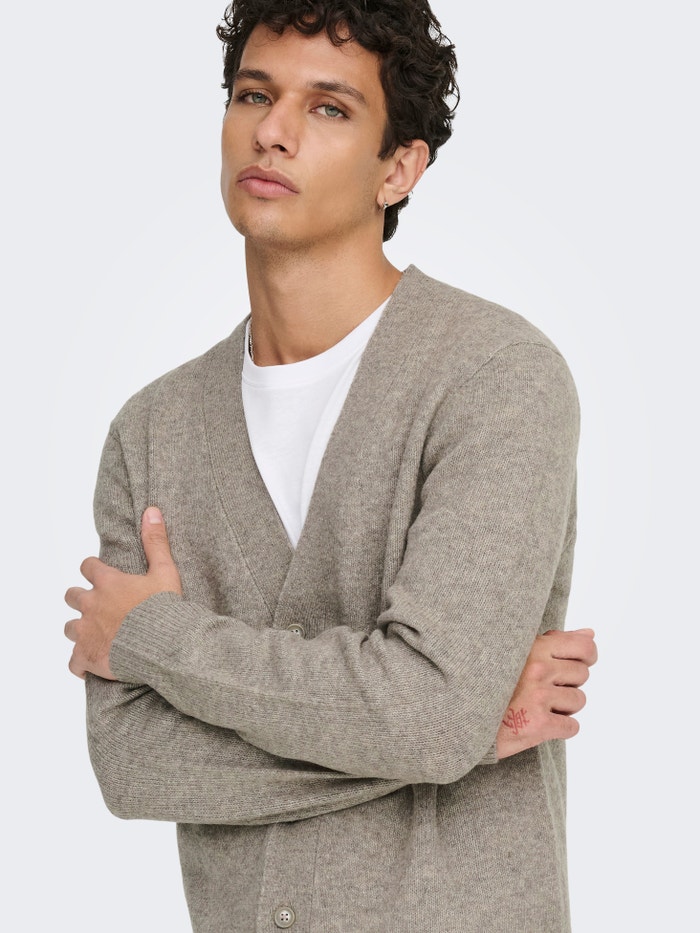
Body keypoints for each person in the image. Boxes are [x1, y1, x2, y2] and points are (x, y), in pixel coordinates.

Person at [64, 1, 597, 930]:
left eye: (328, 108)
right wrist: (466, 730)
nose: (272, 131)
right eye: (253, 95)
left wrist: (156, 638)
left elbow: (429, 714)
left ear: (400, 168)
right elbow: (131, 765)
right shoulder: (151, 431)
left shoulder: (495, 378)